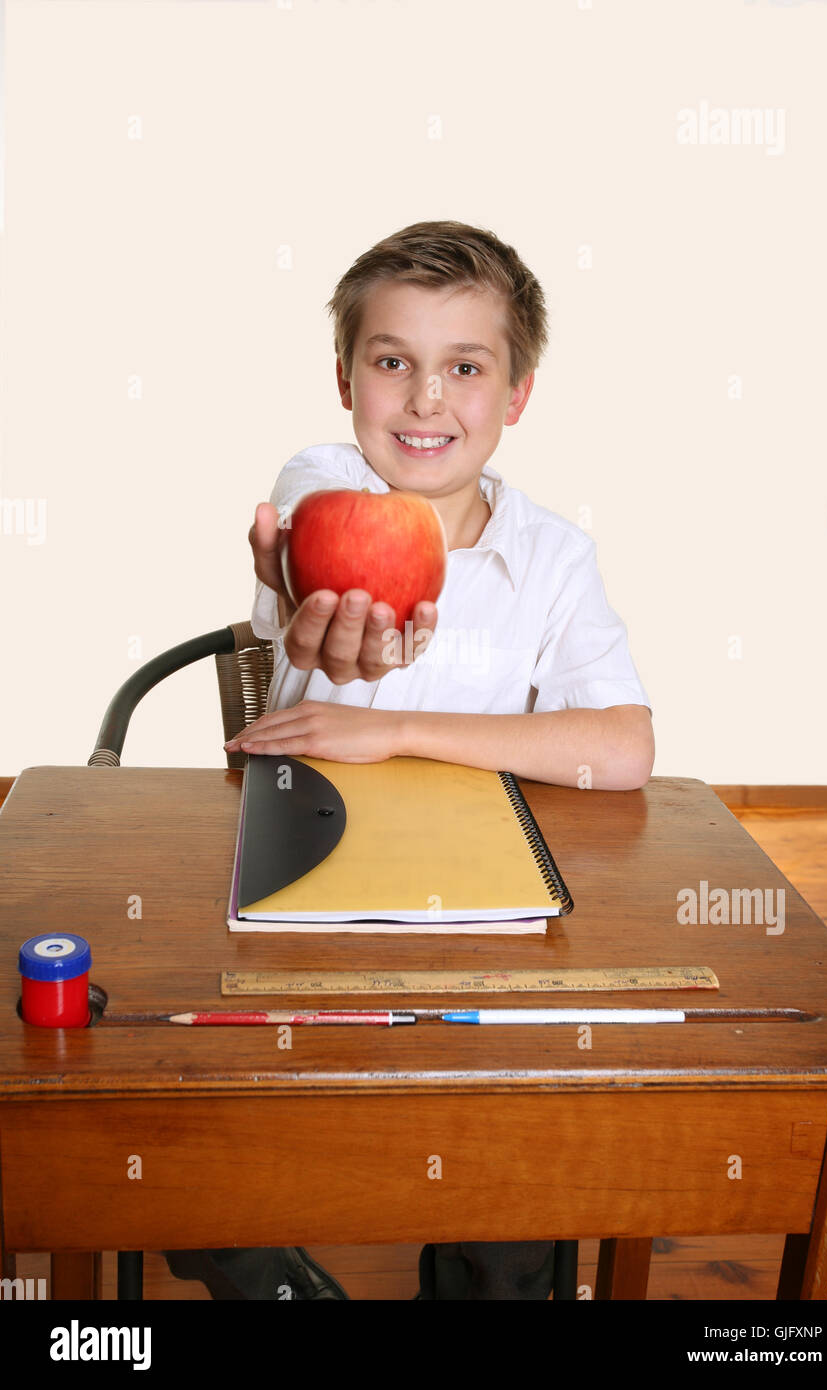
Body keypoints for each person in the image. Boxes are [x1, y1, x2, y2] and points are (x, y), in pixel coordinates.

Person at [167, 219, 653, 1301]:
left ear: (516, 393)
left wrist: (392, 728)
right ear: (345, 378)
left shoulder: (551, 556)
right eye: (392, 362)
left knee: (512, 1173)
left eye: (464, 367)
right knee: (193, 1148)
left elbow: (622, 745)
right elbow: (298, 554)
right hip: (300, 900)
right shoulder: (320, 482)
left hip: (475, 907)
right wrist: (298, 596)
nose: (425, 399)